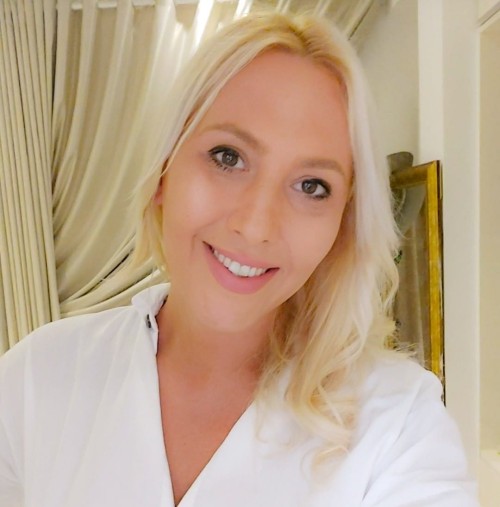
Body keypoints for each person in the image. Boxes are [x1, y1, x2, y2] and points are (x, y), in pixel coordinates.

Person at [0, 10, 478, 507]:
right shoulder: (35, 379)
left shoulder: (398, 423)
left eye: (311, 186)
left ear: (344, 222)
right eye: (228, 157)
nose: (255, 226)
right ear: (164, 171)